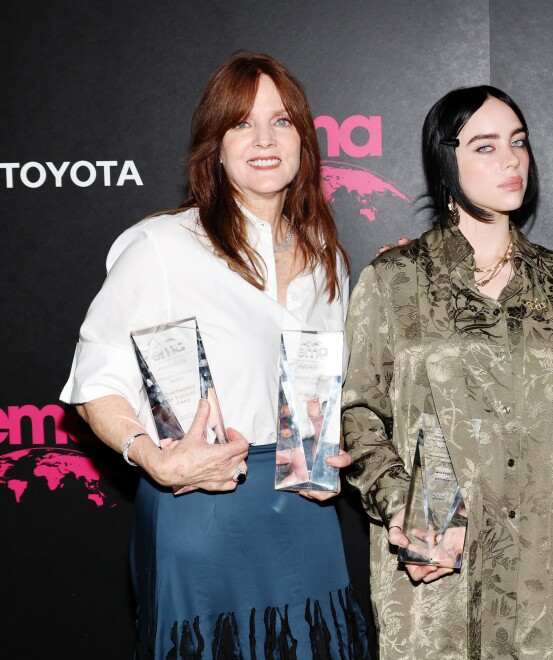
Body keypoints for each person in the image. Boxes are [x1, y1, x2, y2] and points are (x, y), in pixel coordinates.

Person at [60, 52, 368, 658]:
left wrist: (323, 452)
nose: (263, 139)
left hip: (306, 510)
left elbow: (319, 388)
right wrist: (154, 459)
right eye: (240, 123)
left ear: (304, 141)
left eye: (280, 121)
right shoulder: (161, 246)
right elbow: (95, 382)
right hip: (201, 509)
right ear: (215, 146)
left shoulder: (328, 258)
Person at [342, 86, 553, 659]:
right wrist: (403, 508)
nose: (511, 159)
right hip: (440, 577)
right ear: (445, 160)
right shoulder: (395, 280)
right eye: (485, 146)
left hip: (549, 581)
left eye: (518, 142)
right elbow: (359, 415)